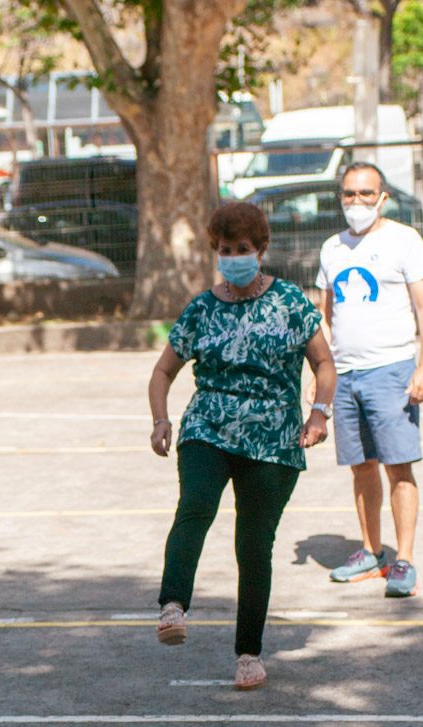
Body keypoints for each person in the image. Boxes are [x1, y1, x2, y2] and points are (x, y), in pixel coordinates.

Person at [149, 200, 336, 690]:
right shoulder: (202, 309)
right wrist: (161, 419)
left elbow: (324, 364)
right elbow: (163, 370)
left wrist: (319, 413)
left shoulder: (292, 304)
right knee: (195, 506)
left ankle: (249, 653)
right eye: (225, 249)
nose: (234, 257)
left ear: (261, 249)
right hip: (208, 426)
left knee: (254, 544)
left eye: (243, 249)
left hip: (273, 437)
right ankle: (172, 605)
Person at [316, 162, 423, 598]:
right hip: (346, 376)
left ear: (383, 197)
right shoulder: (332, 248)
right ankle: (370, 552)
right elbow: (325, 318)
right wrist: (321, 376)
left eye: (366, 194)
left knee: (398, 466)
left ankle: (403, 559)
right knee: (361, 467)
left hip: (392, 372)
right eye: (349, 194)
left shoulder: (404, 241)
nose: (357, 202)